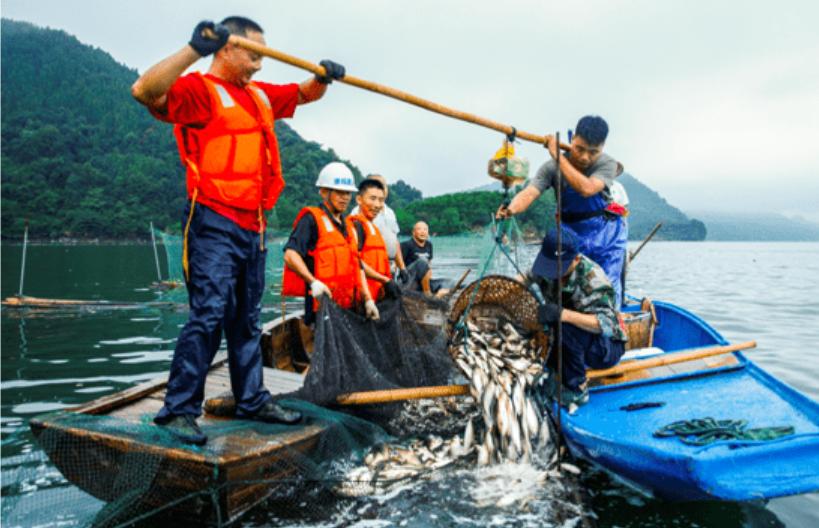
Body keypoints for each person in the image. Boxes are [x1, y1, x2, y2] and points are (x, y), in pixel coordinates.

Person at [131, 17, 346, 445]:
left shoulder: (260, 97)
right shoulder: (199, 91)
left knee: (247, 321)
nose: (261, 64)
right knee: (209, 313)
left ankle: (251, 399)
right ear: (226, 49)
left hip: (255, 226)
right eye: (254, 54)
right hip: (212, 220)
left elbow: (303, 94)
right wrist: (193, 48)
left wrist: (324, 77)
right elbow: (145, 91)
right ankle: (178, 411)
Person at [497, 116, 628, 304]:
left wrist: (557, 155)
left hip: (605, 235)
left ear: (602, 147)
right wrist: (509, 210)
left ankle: (611, 328)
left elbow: (587, 189)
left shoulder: (606, 164)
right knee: (561, 284)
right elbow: (530, 193)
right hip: (570, 232)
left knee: (606, 289)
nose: (585, 157)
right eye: (579, 148)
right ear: (572, 138)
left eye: (593, 152)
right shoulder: (551, 168)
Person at [530, 228, 628, 406]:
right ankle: (553, 373)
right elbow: (526, 277)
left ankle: (577, 389)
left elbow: (604, 324)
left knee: (563, 326)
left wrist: (562, 314)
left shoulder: (593, 280)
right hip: (573, 341)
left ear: (575, 259)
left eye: (557, 266)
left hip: (605, 346)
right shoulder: (550, 265)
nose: (551, 271)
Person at [282, 162, 380, 325]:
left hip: (347, 308)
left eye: (348, 193)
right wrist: (313, 282)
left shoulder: (348, 226)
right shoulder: (311, 220)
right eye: (340, 192)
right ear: (324, 192)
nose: (345, 198)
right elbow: (290, 255)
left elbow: (357, 266)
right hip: (321, 310)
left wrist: (368, 299)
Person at [346, 178, 401, 301]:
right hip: (362, 298)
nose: (377, 205)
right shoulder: (355, 225)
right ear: (359, 199)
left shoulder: (373, 228)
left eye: (381, 200)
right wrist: (384, 280)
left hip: (378, 295)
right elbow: (356, 262)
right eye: (372, 199)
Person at [350, 174, 407, 278]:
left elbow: (395, 241)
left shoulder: (390, 212)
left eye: (383, 185)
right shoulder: (357, 213)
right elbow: (355, 253)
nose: (381, 188)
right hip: (371, 268)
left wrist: (402, 267)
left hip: (390, 267)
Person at [400, 221, 443, 296]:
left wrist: (428, 279)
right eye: (419, 229)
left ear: (428, 233)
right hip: (409, 279)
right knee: (422, 262)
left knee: (450, 282)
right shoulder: (406, 245)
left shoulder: (429, 245)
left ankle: (438, 295)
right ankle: (427, 294)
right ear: (413, 232)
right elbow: (399, 263)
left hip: (423, 281)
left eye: (425, 229)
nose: (422, 232)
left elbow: (429, 264)